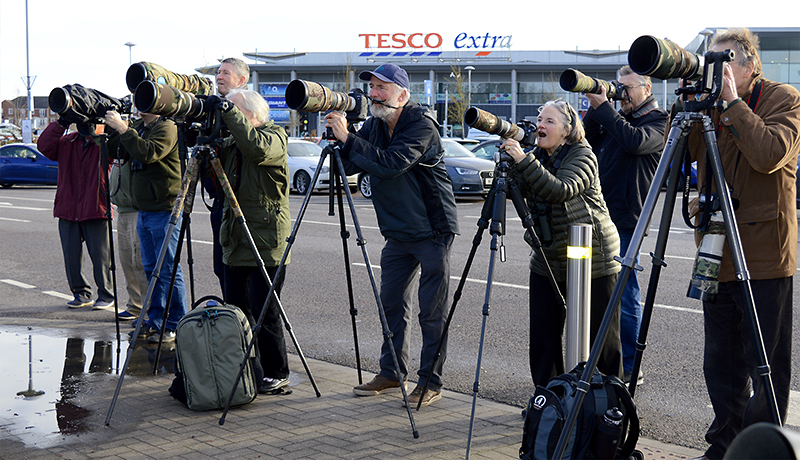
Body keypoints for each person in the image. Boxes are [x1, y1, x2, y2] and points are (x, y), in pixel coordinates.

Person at [677, 28, 800, 460]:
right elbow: (681, 160)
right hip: (716, 250)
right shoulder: (709, 106)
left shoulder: (784, 98)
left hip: (764, 256)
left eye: (722, 62)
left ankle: (760, 451)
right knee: (720, 364)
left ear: (750, 66)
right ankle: (723, 448)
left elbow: (769, 154)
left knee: (765, 366)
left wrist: (731, 104)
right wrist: (688, 107)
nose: (714, 71)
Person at [325, 63, 459, 407]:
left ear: (403, 94)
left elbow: (391, 163)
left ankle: (430, 382)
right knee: (391, 305)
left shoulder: (421, 125)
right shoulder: (374, 124)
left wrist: (348, 138)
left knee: (432, 312)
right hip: (397, 232)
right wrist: (337, 141)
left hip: (432, 230)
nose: (374, 94)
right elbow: (353, 165)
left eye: (382, 88)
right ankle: (391, 373)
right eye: (372, 87)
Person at [501, 100, 623, 387]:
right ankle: (549, 397)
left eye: (550, 121)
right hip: (548, 256)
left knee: (601, 338)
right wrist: (511, 163)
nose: (540, 125)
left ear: (568, 130)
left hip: (592, 257)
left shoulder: (583, 155)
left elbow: (560, 190)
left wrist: (522, 160)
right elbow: (517, 189)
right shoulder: (538, 156)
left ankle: (608, 403)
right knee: (544, 335)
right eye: (539, 118)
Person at [583, 65, 668, 385]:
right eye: (619, 87)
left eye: (628, 88)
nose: (622, 93)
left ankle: (631, 366)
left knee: (624, 293)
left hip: (628, 220)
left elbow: (634, 142)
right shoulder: (614, 119)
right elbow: (583, 138)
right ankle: (601, 358)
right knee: (594, 290)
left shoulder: (658, 122)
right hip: (598, 216)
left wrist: (606, 109)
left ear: (647, 89)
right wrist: (596, 107)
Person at [208, 88, 292, 394]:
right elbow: (212, 179)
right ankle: (243, 365)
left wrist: (227, 113)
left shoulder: (274, 137)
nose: (227, 115)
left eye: (234, 110)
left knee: (263, 309)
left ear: (252, 114)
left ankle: (276, 371)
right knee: (236, 308)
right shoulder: (232, 142)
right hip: (236, 237)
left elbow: (257, 149)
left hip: (266, 240)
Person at [105, 110, 187, 344]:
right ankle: (156, 320)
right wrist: (114, 128)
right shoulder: (140, 126)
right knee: (151, 268)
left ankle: (174, 323)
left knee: (168, 268)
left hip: (164, 208)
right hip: (144, 209)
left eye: (144, 96)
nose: (139, 102)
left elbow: (149, 153)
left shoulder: (166, 127)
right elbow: (117, 152)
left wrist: (123, 129)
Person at [37, 119, 115, 311]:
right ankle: (80, 293)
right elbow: (43, 146)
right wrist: (61, 122)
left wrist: (102, 125)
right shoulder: (66, 142)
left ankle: (106, 294)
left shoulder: (103, 142)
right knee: (71, 256)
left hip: (96, 207)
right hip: (68, 208)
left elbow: (118, 148)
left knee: (101, 256)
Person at [204, 57, 251, 294]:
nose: (218, 77)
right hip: (220, 201)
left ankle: (243, 322)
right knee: (220, 267)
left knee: (241, 271)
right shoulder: (213, 109)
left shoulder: (251, 108)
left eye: (226, 73)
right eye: (218, 72)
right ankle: (229, 322)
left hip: (242, 203)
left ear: (242, 80)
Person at [109, 135, 149, 321]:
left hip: (136, 209)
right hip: (122, 209)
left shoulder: (135, 137)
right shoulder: (118, 140)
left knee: (139, 261)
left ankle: (148, 309)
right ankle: (135, 304)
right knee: (127, 260)